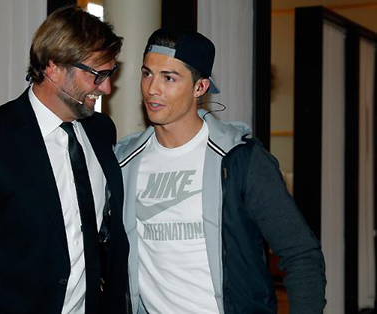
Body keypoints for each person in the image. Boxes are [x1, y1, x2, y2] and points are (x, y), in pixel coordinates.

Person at [0, 5, 130, 314]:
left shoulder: (101, 132)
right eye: (97, 74)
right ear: (54, 68)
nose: (106, 88)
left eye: (109, 73)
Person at [114, 28, 326, 314]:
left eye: (169, 78)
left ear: (200, 88)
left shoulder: (240, 160)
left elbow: (301, 254)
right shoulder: (125, 161)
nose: (153, 88)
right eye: (147, 73)